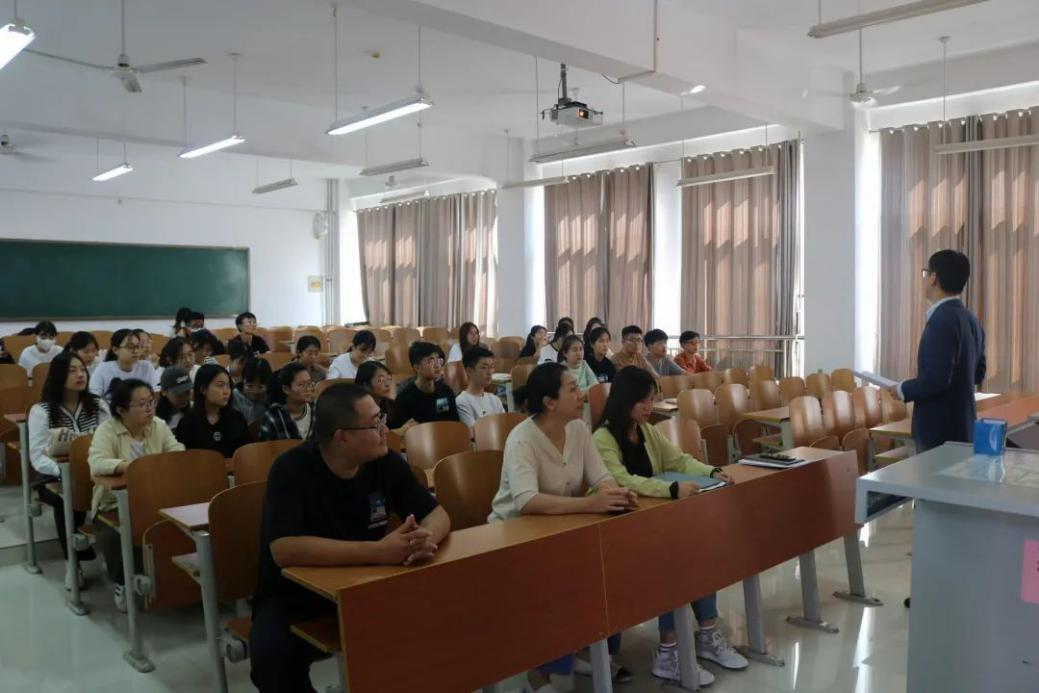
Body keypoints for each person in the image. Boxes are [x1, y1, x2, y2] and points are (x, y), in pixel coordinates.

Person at [249, 383, 450, 691]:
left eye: (382, 419)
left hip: (366, 586)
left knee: (438, 624)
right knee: (272, 660)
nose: (384, 430)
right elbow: (284, 548)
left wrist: (424, 539)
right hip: (296, 598)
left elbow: (437, 514)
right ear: (342, 437)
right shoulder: (291, 469)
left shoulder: (385, 462)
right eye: (374, 423)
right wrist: (378, 552)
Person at [488, 363, 638, 691]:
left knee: (613, 569)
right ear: (549, 402)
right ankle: (543, 670)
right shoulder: (522, 439)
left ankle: (589, 649)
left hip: (562, 528)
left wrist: (615, 494)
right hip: (515, 537)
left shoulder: (579, 429)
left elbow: (601, 477)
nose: (582, 394)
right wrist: (591, 504)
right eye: (572, 389)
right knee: (562, 581)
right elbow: (527, 501)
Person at [592, 366, 745, 685]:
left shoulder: (646, 431)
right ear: (625, 400)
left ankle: (706, 634)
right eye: (644, 401)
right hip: (620, 527)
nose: (650, 407)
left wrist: (710, 471)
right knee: (672, 561)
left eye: (652, 399)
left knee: (699, 551)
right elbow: (619, 480)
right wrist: (671, 489)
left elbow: (678, 461)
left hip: (654, 519)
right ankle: (668, 651)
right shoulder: (602, 438)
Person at [889, 250, 986, 610]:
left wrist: (903, 389)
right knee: (952, 512)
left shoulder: (940, 321)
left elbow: (934, 381)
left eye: (925, 272)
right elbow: (978, 373)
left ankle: (933, 594)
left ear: (933, 277)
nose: (924, 279)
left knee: (934, 515)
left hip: (938, 430)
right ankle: (954, 588)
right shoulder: (969, 319)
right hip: (962, 425)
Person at [88, 378, 184, 610]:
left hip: (155, 498)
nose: (149, 408)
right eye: (142, 404)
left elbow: (178, 452)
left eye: (151, 401)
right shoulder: (107, 431)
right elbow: (96, 463)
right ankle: (122, 581)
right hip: (114, 503)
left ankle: (172, 579)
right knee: (117, 534)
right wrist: (129, 467)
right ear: (122, 410)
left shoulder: (158, 426)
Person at [28, 352, 109, 589]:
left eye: (82, 369)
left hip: (96, 471)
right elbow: (37, 457)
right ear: (58, 376)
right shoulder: (42, 411)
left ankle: (110, 552)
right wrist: (64, 471)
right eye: (72, 371)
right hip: (53, 476)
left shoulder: (98, 405)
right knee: (68, 496)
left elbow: (108, 442)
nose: (80, 375)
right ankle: (72, 563)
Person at [175, 364, 250, 458]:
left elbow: (246, 454)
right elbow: (183, 459)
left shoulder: (237, 418)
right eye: (220, 385)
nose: (226, 391)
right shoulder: (188, 422)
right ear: (203, 389)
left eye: (228, 386)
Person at [390, 342, 459, 428]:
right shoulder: (404, 399)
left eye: (438, 360)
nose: (437, 365)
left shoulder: (446, 391)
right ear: (417, 367)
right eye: (431, 361)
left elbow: (455, 423)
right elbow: (400, 431)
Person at [89, 329, 160, 399]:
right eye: (130, 347)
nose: (136, 351)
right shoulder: (103, 368)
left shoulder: (146, 366)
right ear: (115, 350)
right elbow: (93, 397)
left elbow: (156, 391)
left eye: (138, 346)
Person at [355, 360, 416, 437]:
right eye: (381, 380)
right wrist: (397, 432)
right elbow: (366, 438)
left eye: (389, 379)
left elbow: (402, 426)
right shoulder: (357, 411)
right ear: (365, 385)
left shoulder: (392, 402)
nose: (387, 384)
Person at [259, 362, 316, 441]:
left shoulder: (317, 408)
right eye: (301, 384)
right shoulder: (273, 416)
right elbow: (266, 447)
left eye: (309, 383)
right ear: (286, 389)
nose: (308, 389)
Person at [455, 346, 505, 428]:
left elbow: (504, 426)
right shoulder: (462, 402)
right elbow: (475, 432)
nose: (489, 372)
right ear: (469, 371)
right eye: (484, 367)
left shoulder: (495, 400)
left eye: (492, 367)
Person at [233, 357, 272, 425]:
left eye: (260, 387)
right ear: (243, 381)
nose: (255, 391)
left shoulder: (269, 400)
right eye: (250, 386)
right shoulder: (233, 398)